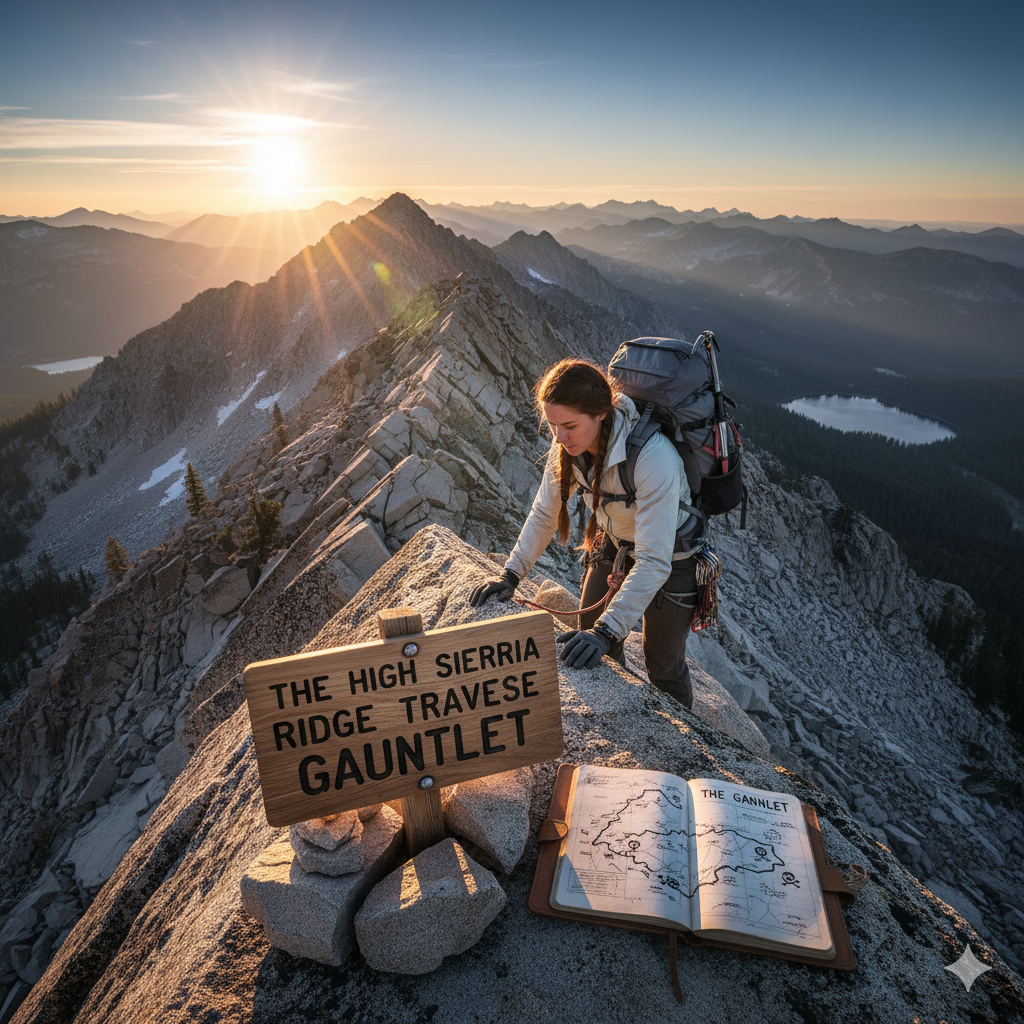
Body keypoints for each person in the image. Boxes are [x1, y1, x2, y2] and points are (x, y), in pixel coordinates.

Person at [470, 357, 703, 709]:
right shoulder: (568, 447)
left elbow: (655, 561)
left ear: (601, 414)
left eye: (569, 426)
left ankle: (687, 755)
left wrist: (608, 631)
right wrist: (511, 573)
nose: (560, 438)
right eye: (552, 426)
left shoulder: (654, 459)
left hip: (674, 556)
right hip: (615, 544)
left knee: (662, 662)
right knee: (588, 640)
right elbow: (545, 514)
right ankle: (618, 713)